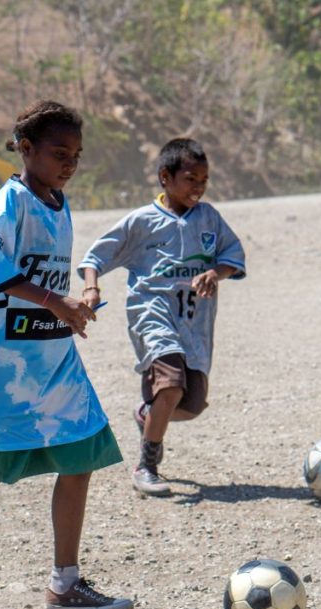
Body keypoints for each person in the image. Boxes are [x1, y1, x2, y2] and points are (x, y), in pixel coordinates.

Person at [0, 101, 133, 609]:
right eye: (60, 153)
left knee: (82, 454)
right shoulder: (9, 203)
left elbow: (51, 280)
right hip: (5, 366)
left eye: (77, 155)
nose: (70, 164)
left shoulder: (59, 203)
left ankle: (65, 585)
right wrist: (57, 303)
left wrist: (76, 306)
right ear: (27, 148)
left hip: (53, 358)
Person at [78, 138, 246, 497]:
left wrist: (216, 273)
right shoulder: (142, 222)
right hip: (152, 316)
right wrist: (91, 288)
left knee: (192, 404)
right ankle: (146, 467)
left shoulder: (210, 219)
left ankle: (147, 416)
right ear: (165, 178)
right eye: (191, 179)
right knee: (170, 384)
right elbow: (95, 257)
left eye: (204, 179)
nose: (198, 187)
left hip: (195, 326)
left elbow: (233, 256)